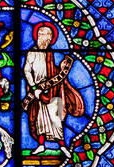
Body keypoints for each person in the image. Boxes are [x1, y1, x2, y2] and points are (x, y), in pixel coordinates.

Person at [23, 21, 84, 152]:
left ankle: (62, 146)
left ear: (51, 38)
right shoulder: (31, 53)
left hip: (53, 91)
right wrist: (34, 87)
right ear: (37, 36)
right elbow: (27, 71)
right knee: (39, 119)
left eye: (47, 35)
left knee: (57, 119)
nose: (44, 37)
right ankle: (40, 145)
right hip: (38, 90)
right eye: (41, 34)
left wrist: (61, 69)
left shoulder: (50, 53)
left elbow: (53, 72)